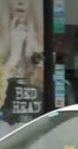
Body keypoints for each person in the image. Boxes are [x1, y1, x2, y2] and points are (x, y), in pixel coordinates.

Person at [0, 0, 44, 134]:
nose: (20, 2)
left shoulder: (39, 45)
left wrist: (34, 59)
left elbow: (47, 92)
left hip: (34, 128)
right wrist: (14, 55)